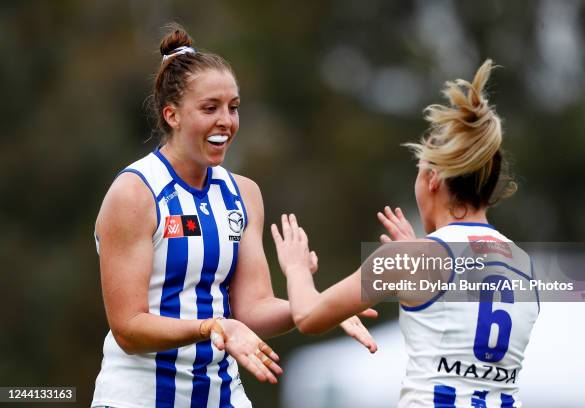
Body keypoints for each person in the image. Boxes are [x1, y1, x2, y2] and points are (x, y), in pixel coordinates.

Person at [91, 24, 377, 408]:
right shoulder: (135, 193)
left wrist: (314, 305)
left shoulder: (243, 193)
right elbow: (128, 328)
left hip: (222, 396)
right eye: (210, 108)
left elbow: (253, 309)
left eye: (233, 107)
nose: (226, 121)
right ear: (172, 115)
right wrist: (213, 326)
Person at [272, 60, 539, 407]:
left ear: (432, 179)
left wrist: (295, 268)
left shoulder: (412, 261)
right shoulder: (525, 266)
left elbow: (307, 316)